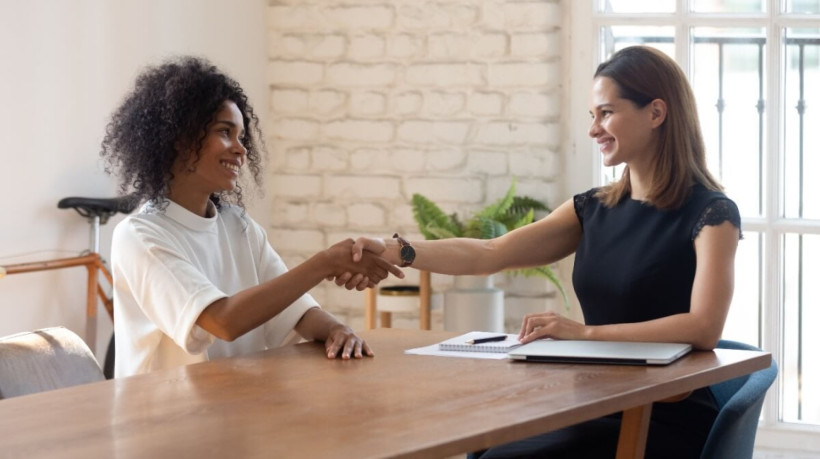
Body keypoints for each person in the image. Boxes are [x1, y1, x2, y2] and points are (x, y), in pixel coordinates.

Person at [346, 46, 742, 458]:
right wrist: (396, 249)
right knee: (481, 450)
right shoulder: (593, 209)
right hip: (599, 402)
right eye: (592, 116)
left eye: (606, 113)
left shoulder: (712, 213)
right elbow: (488, 252)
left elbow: (703, 326)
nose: (594, 129)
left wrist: (585, 334)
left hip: (664, 415)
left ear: (656, 113)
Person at [101, 56, 402, 378]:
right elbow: (222, 321)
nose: (241, 149)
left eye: (242, 137)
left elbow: (295, 310)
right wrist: (326, 262)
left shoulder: (239, 226)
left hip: (234, 408)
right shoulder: (140, 235)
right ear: (180, 139)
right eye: (225, 132)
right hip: (164, 421)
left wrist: (337, 330)